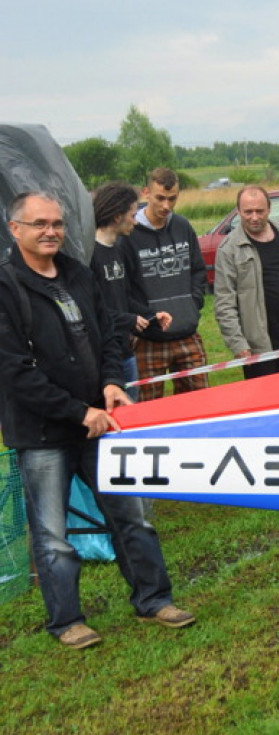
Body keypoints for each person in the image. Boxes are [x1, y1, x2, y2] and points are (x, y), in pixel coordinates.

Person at [0, 191, 194, 649]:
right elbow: (13, 371)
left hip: (100, 422)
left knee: (131, 517)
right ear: (15, 229)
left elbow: (109, 334)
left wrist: (110, 382)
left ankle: (154, 600)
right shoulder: (6, 287)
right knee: (53, 535)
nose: (51, 231)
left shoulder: (77, 273)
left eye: (57, 223)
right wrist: (77, 411)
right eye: (39, 224)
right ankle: (67, 621)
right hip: (44, 433)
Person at [124, 167, 208, 401]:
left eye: (172, 199)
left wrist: (193, 304)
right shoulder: (129, 233)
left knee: (200, 404)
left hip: (186, 332)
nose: (166, 206)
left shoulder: (183, 226)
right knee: (148, 409)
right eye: (160, 198)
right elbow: (123, 286)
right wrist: (145, 316)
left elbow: (198, 270)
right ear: (146, 192)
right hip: (148, 339)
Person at [214, 185, 279, 378]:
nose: (254, 217)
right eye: (248, 212)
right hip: (259, 345)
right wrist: (238, 344)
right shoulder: (229, 249)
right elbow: (224, 303)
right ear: (238, 211)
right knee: (268, 396)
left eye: (259, 211)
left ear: (269, 209)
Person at [90, 182, 172, 401]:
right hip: (102, 359)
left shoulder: (118, 250)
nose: (136, 222)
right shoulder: (89, 256)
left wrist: (151, 315)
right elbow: (91, 310)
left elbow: (123, 298)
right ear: (118, 216)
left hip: (126, 353)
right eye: (133, 215)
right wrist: (128, 320)